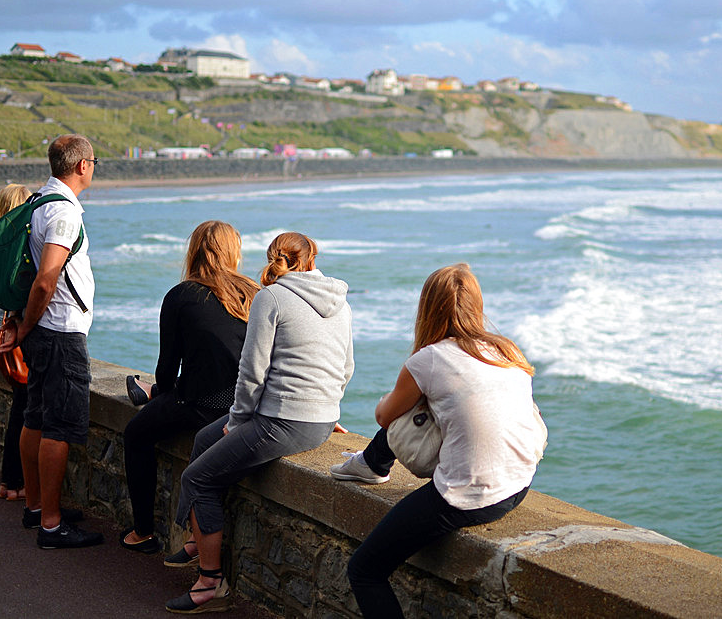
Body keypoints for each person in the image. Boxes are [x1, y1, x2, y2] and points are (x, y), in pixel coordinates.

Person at [330, 263, 545, 619]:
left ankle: (370, 465)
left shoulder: (429, 359)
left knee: (365, 570)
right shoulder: (506, 351)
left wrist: (400, 396)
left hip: (470, 495)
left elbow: (384, 418)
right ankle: (371, 463)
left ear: (427, 307)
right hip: (519, 483)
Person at [165, 232, 353, 614]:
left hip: (282, 420)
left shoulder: (271, 297)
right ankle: (193, 539)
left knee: (197, 478)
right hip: (321, 417)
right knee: (203, 439)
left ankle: (209, 584)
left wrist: (236, 422)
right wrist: (324, 408)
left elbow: (252, 372)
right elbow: (346, 367)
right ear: (312, 258)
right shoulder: (340, 303)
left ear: (274, 258)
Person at [119, 221, 261, 555]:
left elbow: (167, 367)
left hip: (200, 404)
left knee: (135, 435)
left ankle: (142, 532)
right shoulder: (254, 293)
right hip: (243, 404)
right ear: (233, 252)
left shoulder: (181, 295)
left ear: (194, 251)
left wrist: (163, 392)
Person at [0, 134, 102, 549]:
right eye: (94, 160)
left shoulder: (37, 202)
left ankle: (37, 507)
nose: (94, 166)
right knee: (57, 426)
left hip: (42, 330)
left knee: (35, 417)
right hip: (58, 333)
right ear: (81, 166)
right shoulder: (64, 214)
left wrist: (22, 324)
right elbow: (45, 278)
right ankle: (52, 525)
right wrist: (24, 328)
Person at [0, 183, 32, 502]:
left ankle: (10, 480)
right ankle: (15, 481)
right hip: (14, 328)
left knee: (21, 402)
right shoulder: (14, 245)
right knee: (25, 405)